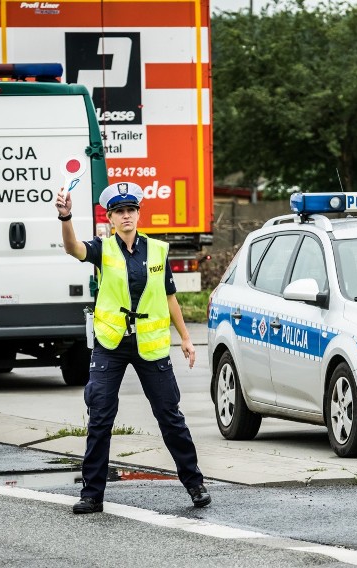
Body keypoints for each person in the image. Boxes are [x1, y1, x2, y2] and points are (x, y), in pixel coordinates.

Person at [55, 181, 212, 513]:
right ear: (110, 219)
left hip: (150, 346)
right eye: (119, 212)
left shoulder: (157, 250)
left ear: (139, 214)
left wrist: (185, 337)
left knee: (170, 416)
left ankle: (195, 484)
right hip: (111, 344)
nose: (126, 216)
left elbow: (170, 296)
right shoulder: (103, 249)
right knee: (100, 416)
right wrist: (66, 218)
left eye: (131, 210)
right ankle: (92, 494)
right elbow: (72, 248)